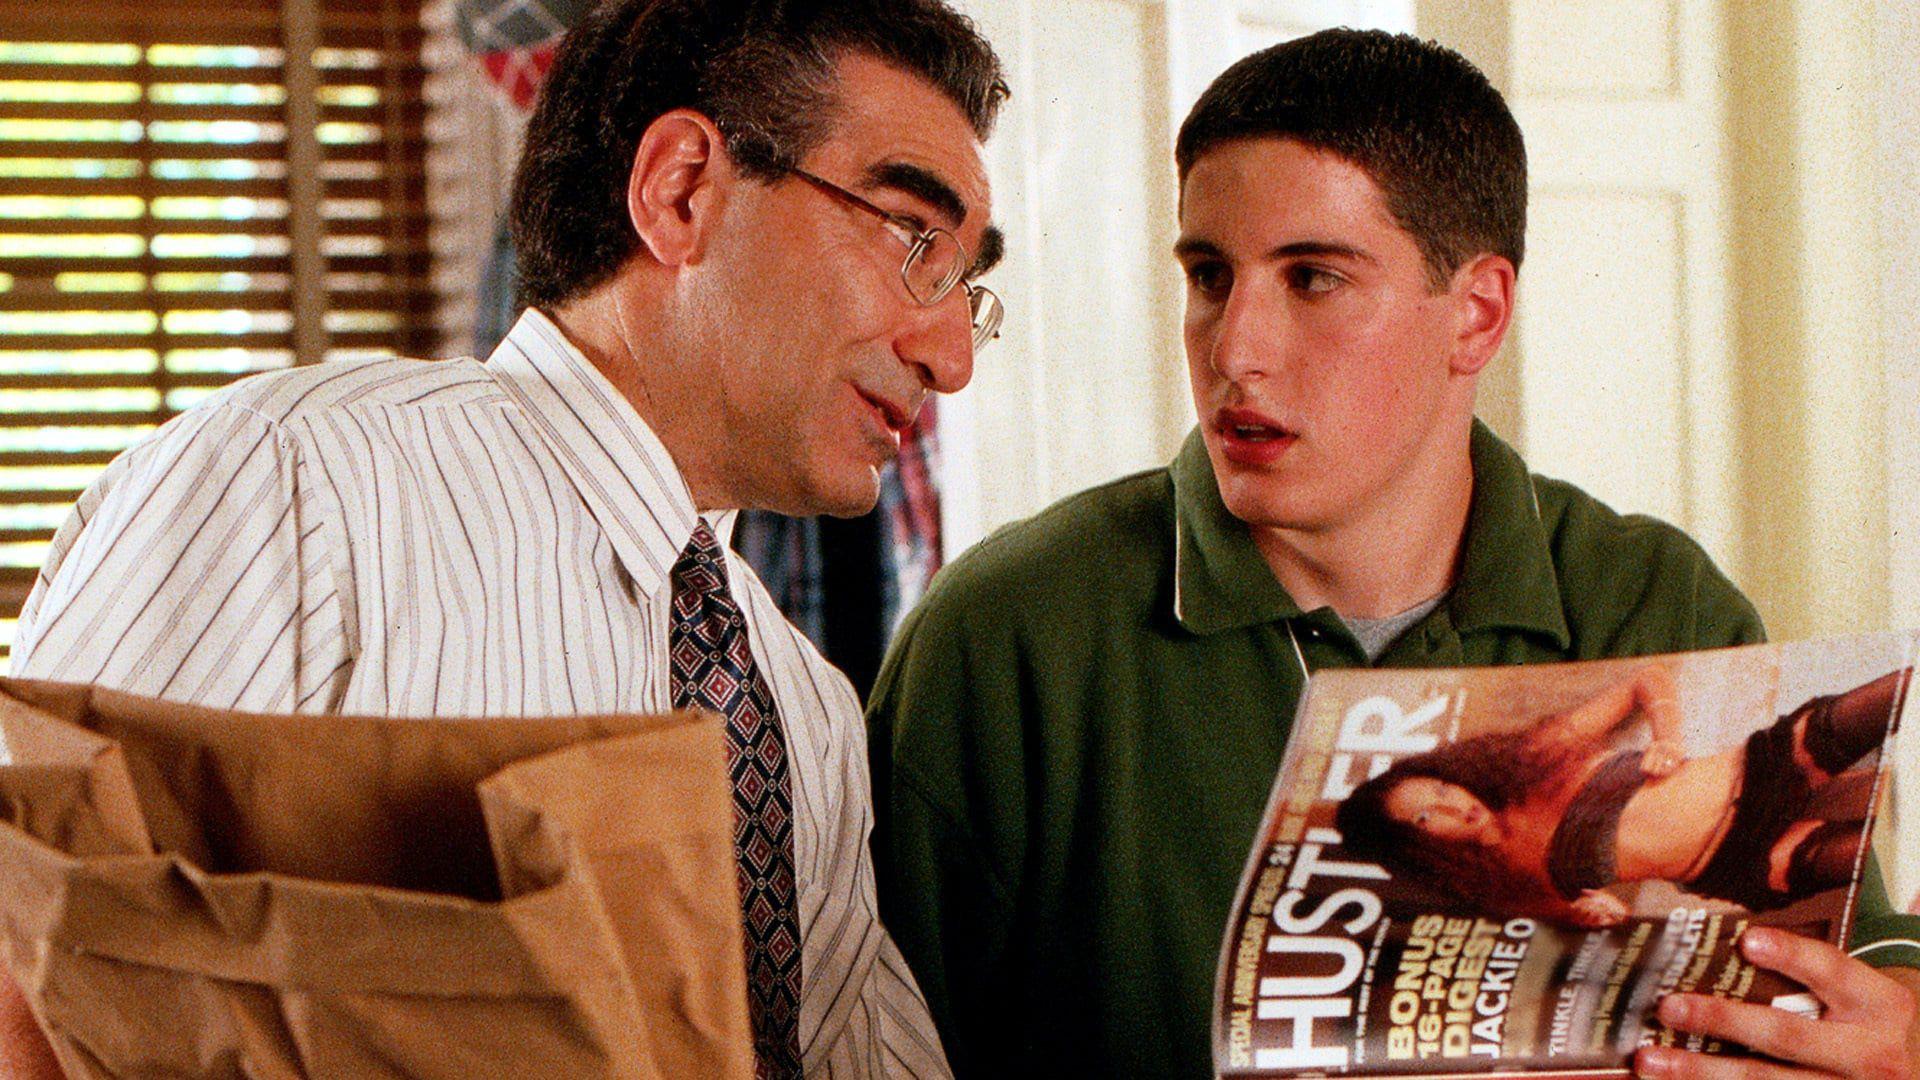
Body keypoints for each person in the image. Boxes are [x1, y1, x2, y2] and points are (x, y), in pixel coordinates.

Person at [866, 28, 1920, 1080]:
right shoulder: (1003, 636)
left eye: (1313, 278)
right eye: (1210, 276)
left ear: (1477, 315)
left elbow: (1855, 976)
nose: (1235, 349)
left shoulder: (1652, 595)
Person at [1, 1, 1009, 1076]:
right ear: (681, 191)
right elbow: (30, 976)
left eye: (969, 286)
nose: (952, 359)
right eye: (913, 239)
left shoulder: (809, 716)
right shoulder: (300, 491)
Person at [1335, 665, 1906, 927]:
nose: (1452, 803)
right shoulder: (1509, 887)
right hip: (1737, 862)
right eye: (1426, 816)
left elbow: (1646, 679)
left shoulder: (1535, 757)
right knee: (1835, 859)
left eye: (1440, 786)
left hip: (1758, 770)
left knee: (1869, 706)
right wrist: (1592, 911)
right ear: (1424, 848)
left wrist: (1667, 739)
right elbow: (1583, 913)